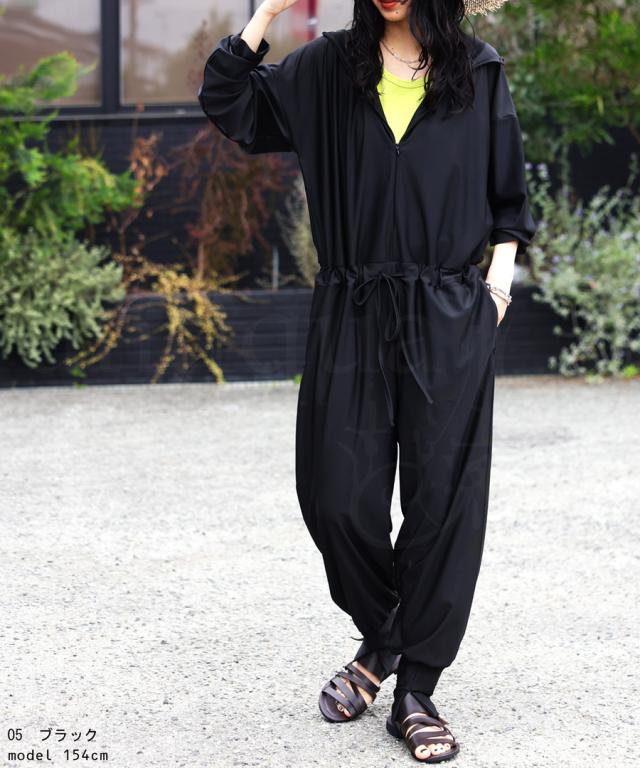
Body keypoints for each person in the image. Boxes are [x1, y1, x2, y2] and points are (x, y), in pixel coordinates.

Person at [198, 0, 536, 761]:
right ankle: (383, 639)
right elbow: (230, 101)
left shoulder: (476, 69)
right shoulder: (329, 66)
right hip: (351, 305)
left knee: (442, 503)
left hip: (448, 309)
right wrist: (266, 12)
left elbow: (509, 194)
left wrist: (497, 286)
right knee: (336, 495)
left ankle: (416, 688)